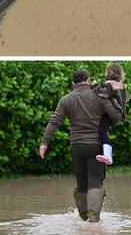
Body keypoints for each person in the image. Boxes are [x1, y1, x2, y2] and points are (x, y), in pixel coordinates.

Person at [39, 70, 123, 223]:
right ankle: (93, 220)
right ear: (88, 80)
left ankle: (83, 218)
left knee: (81, 181)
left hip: (77, 146)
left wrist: (45, 142)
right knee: (95, 180)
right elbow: (116, 116)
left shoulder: (66, 99)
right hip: (97, 145)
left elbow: (54, 121)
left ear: (73, 84)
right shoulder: (100, 96)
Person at [92, 63, 128, 165]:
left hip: (113, 111)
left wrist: (95, 86)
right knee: (104, 129)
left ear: (111, 72)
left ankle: (108, 156)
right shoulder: (122, 84)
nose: (106, 73)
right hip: (119, 113)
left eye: (107, 71)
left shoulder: (110, 83)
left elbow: (104, 93)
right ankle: (106, 154)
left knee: (102, 130)